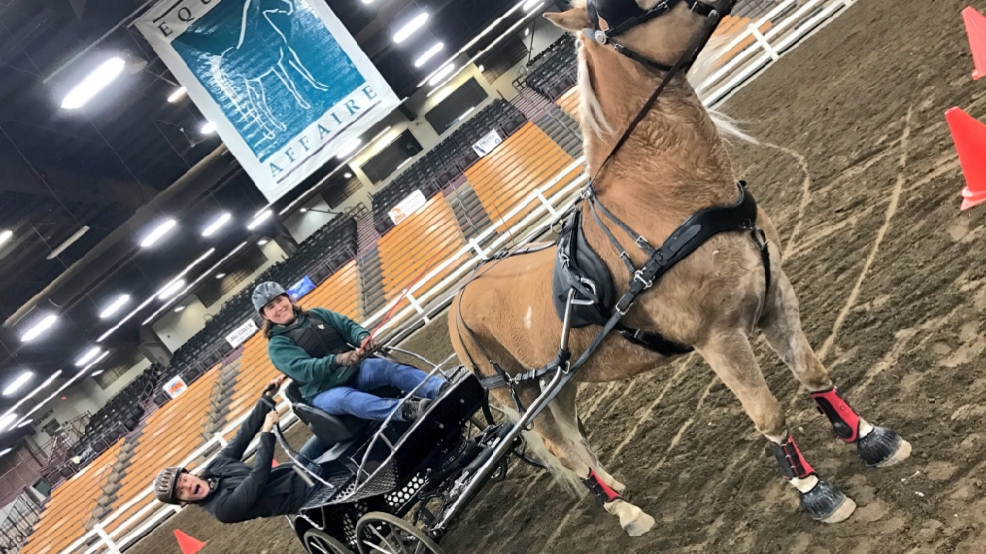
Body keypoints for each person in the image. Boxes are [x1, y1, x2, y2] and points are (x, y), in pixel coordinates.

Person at [252, 281, 446, 423]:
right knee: (350, 399)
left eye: (280, 300)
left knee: (389, 368)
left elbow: (347, 326)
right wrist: (339, 359)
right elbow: (305, 369)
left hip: (355, 371)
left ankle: (440, 388)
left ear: (288, 298)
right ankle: (407, 411)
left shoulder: (318, 314)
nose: (279, 308)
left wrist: (363, 338)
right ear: (264, 315)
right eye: (271, 307)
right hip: (323, 392)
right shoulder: (277, 345)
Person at [152, 376, 323, 522]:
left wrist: (267, 398)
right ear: (183, 501)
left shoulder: (216, 467)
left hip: (294, 472)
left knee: (327, 432)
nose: (187, 486)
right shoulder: (222, 510)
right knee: (340, 452)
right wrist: (266, 432)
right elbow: (258, 477)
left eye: (183, 480)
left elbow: (243, 435)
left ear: (189, 473)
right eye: (181, 491)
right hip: (301, 494)